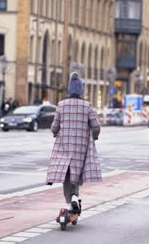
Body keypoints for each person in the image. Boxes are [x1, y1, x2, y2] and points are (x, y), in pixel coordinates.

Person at [46, 72, 101, 212]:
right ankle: (75, 197)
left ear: (69, 89)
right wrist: (94, 136)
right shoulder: (87, 106)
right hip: (81, 147)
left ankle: (70, 202)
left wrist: (55, 133)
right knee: (77, 173)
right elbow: (96, 126)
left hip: (64, 145)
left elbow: (54, 126)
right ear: (81, 90)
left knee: (67, 175)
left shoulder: (61, 105)